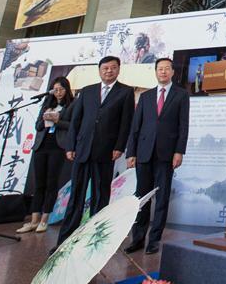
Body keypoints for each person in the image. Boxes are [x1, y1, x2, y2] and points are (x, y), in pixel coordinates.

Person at [52, 56, 134, 252]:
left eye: (113, 68)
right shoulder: (87, 91)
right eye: (105, 68)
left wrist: (119, 147)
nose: (109, 71)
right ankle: (64, 242)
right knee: (76, 197)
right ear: (99, 70)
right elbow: (76, 121)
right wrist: (70, 146)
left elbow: (126, 123)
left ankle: (94, 242)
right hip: (82, 150)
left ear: (118, 70)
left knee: (100, 197)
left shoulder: (125, 92)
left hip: (105, 152)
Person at [124, 58, 189, 255]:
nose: (163, 72)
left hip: (166, 154)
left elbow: (183, 126)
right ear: (155, 72)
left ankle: (154, 240)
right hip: (144, 152)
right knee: (141, 199)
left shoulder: (181, 95)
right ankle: (138, 238)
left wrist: (179, 151)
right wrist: (131, 152)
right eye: (159, 69)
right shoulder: (146, 96)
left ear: (172, 72)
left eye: (166, 69)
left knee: (161, 198)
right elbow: (135, 127)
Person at [16, 76, 74, 234]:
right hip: (41, 146)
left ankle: (44, 219)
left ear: (67, 90)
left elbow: (73, 125)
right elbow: (38, 126)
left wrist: (57, 120)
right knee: (39, 184)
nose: (59, 92)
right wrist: (45, 118)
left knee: (51, 184)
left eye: (61, 89)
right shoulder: (47, 104)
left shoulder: (72, 105)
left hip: (57, 147)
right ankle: (34, 220)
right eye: (55, 90)